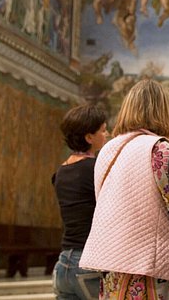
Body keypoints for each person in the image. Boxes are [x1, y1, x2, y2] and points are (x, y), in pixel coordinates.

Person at [80, 80, 169, 298]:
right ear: (162, 110)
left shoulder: (107, 150)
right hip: (149, 264)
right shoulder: (158, 147)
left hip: (112, 260)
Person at [51, 105, 108, 300]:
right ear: (89, 137)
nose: (106, 134)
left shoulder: (59, 173)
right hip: (88, 262)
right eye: (102, 130)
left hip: (63, 263)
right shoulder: (95, 169)